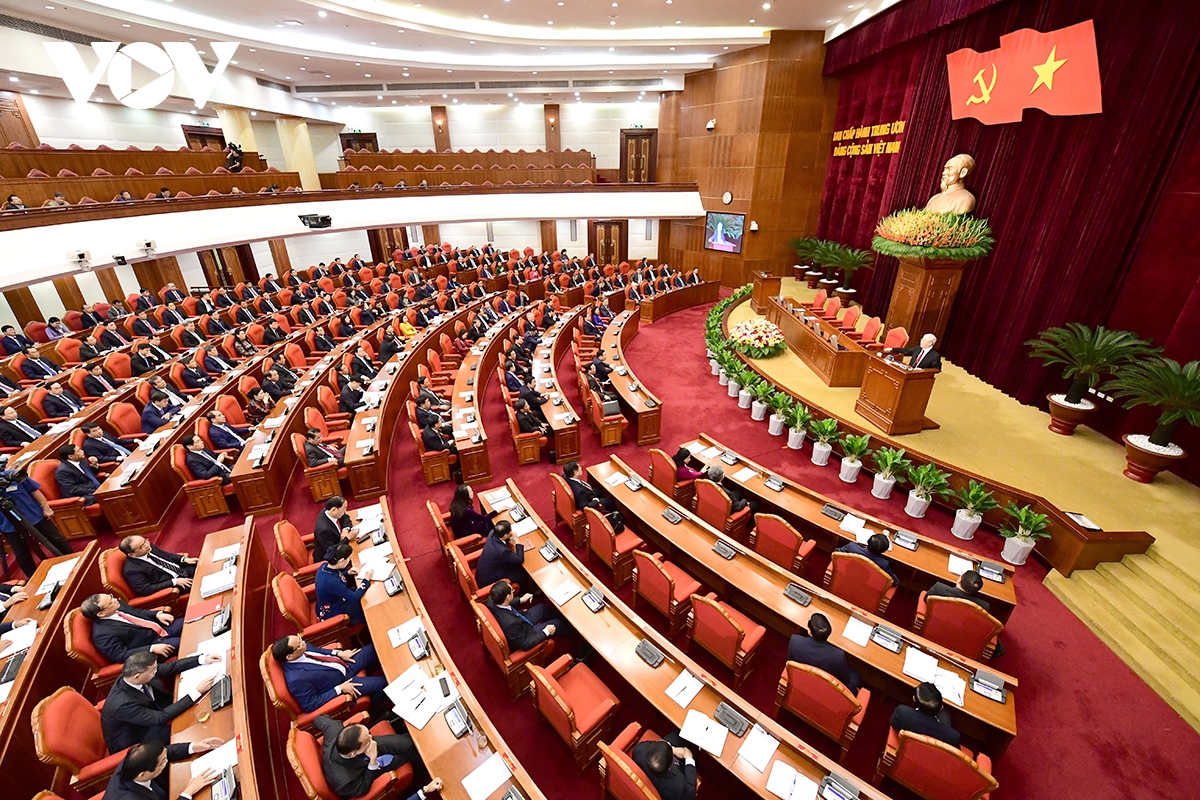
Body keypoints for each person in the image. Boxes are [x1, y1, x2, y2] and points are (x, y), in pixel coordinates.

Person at [101, 649, 221, 752]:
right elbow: (159, 718)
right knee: (190, 728)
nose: (156, 671)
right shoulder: (122, 704)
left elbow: (170, 667)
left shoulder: (135, 676)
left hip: (152, 709)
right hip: (136, 736)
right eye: (153, 670)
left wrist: (202, 659)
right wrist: (197, 692)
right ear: (137, 676)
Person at [312, 715, 439, 800]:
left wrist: (368, 744)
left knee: (409, 743)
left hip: (367, 750)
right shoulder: (345, 781)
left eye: (368, 734)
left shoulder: (334, 730)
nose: (371, 737)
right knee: (409, 753)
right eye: (367, 739)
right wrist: (372, 761)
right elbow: (363, 787)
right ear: (353, 754)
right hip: (367, 768)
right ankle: (426, 768)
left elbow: (318, 719)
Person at [271, 634, 389, 714]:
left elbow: (319, 651)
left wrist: (338, 653)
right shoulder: (296, 680)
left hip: (345, 663)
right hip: (344, 682)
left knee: (376, 647)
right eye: (299, 644)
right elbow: (311, 704)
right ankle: (379, 711)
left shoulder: (300, 647)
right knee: (384, 683)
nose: (304, 643)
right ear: (289, 656)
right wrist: (340, 689)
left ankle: (373, 670)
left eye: (300, 640)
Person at [0, 467, 72, 578]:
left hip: (34, 516)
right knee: (21, 553)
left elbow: (34, 491)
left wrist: (46, 508)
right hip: (9, 524)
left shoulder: (13, 475)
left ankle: (73, 559)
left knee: (57, 539)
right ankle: (34, 577)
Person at [102, 738, 225, 800]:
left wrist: (194, 746)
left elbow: (165, 753)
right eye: (162, 763)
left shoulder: (135, 759)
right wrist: (188, 792)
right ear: (143, 775)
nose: (165, 763)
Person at [80, 592, 183, 662]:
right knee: (185, 641)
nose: (115, 600)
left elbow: (138, 612)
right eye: (111, 602)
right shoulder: (102, 634)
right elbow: (120, 655)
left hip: (161, 628)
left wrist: (157, 615)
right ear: (101, 614)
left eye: (111, 596)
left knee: (190, 620)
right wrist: (151, 648)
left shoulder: (117, 604)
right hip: (154, 644)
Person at [786, 612, 861, 694]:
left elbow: (790, 661)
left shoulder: (795, 641)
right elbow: (845, 680)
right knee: (855, 675)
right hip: (826, 688)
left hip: (803, 678)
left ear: (809, 631)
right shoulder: (838, 655)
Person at [484, 579, 560, 653]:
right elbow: (526, 644)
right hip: (526, 633)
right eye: (512, 591)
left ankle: (560, 616)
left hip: (519, 618)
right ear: (508, 597)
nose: (513, 590)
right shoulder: (511, 624)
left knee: (542, 607)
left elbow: (504, 603)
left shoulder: (491, 599)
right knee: (558, 623)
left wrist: (520, 600)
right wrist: (546, 632)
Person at [315, 542, 375, 626]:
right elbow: (355, 597)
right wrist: (366, 579)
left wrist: (347, 572)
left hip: (333, 600)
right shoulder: (332, 582)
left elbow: (335, 574)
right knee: (368, 606)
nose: (349, 560)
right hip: (333, 610)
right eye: (348, 558)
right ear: (341, 560)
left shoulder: (324, 566)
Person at [891, 682, 961, 747]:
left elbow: (893, 723)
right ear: (941, 708)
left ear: (914, 699)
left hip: (907, 748)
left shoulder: (902, 713)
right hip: (932, 756)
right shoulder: (953, 736)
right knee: (945, 713)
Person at [632, 733, 698, 800]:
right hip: (680, 768)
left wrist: (672, 749)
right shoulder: (679, 789)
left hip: (658, 761)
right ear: (670, 766)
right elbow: (690, 791)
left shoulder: (639, 751)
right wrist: (689, 758)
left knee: (680, 732)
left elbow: (652, 744)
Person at [476, 520, 532, 590]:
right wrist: (517, 541)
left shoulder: (492, 533)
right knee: (520, 573)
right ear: (505, 535)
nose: (512, 532)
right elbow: (519, 559)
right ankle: (527, 591)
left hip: (483, 570)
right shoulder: (502, 551)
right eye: (510, 531)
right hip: (489, 578)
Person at [314, 495, 353, 561]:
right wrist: (348, 538)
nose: (345, 511)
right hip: (330, 558)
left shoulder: (329, 511)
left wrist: (345, 529)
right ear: (334, 509)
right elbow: (331, 550)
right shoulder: (324, 530)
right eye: (344, 508)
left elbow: (345, 516)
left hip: (337, 543)